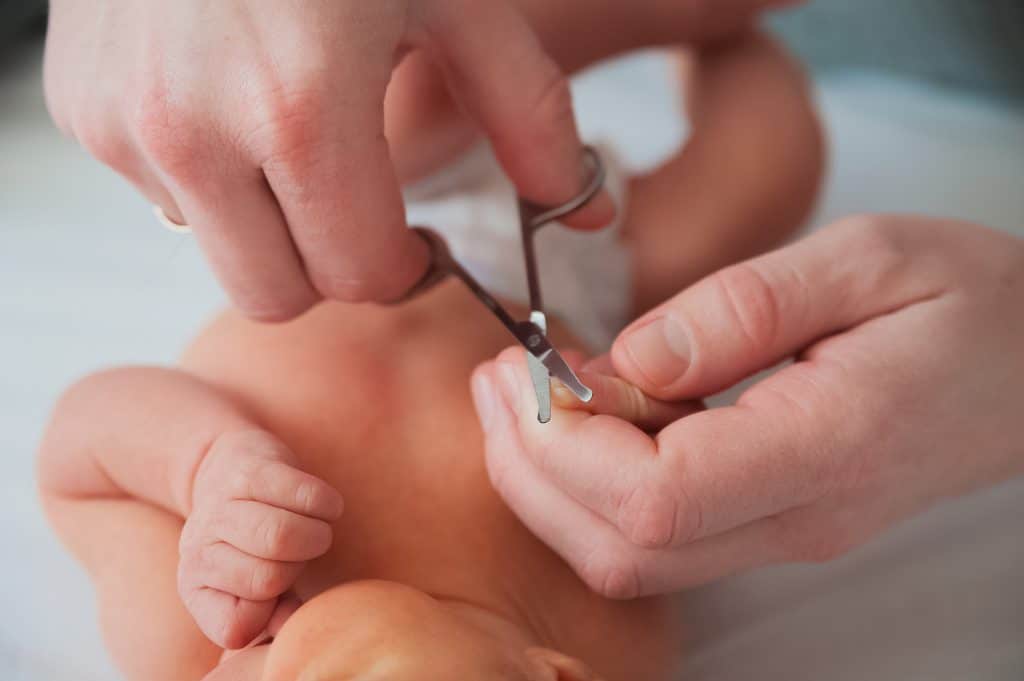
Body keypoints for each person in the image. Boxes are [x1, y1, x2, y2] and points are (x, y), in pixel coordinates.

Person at [36, 29, 823, 681]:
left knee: (406, 81)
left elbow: (80, 460)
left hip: (322, 217)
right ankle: (697, 29)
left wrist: (203, 465)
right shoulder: (609, 643)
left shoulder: (197, 625)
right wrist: (639, 410)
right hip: (549, 277)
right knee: (769, 160)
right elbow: (678, 481)